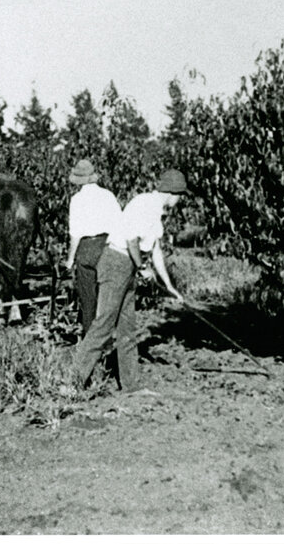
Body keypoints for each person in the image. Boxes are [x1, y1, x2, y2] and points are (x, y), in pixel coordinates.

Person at [74, 169, 188, 394]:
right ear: (173, 193)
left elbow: (156, 251)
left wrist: (170, 287)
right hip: (117, 262)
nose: (180, 200)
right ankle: (71, 381)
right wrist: (142, 267)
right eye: (180, 195)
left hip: (127, 266)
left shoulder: (156, 212)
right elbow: (132, 240)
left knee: (127, 328)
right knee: (104, 324)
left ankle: (131, 385)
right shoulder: (145, 204)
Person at [65, 159, 123, 337]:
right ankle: (109, 335)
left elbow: (75, 233)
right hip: (107, 246)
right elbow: (120, 224)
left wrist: (70, 260)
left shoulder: (77, 199)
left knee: (88, 297)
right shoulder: (108, 195)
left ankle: (91, 340)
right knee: (107, 297)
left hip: (87, 248)